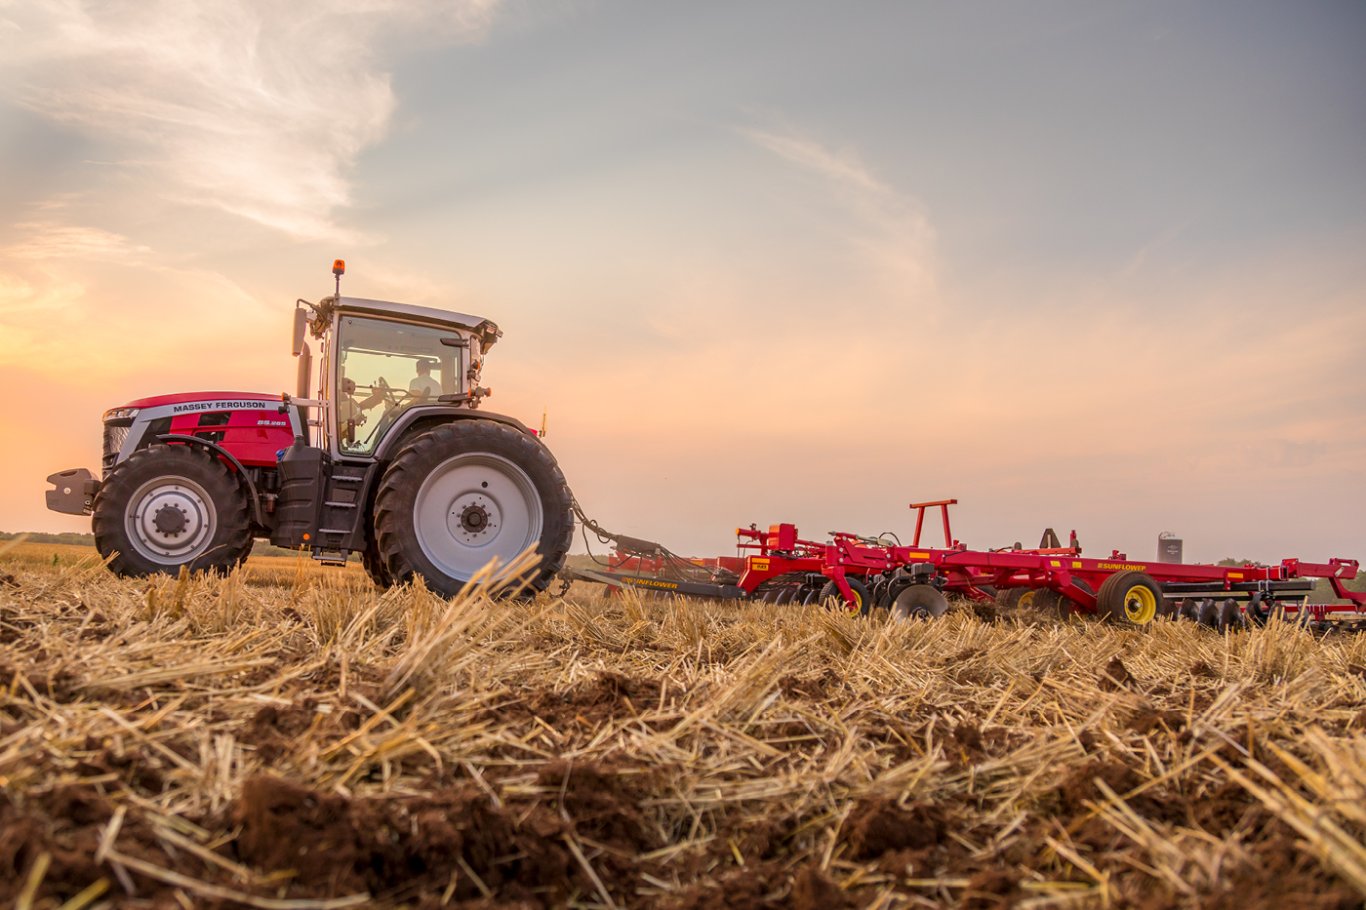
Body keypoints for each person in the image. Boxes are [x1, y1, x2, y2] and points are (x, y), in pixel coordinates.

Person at [338, 377, 383, 446]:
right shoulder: (348, 415)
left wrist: (377, 397)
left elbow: (362, 406)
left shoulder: (351, 409)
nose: (358, 425)